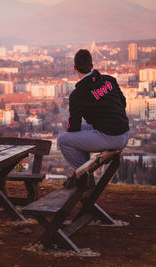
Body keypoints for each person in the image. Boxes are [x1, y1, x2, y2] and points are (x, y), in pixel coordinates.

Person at [57, 49, 129, 188]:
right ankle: (85, 174)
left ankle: (84, 175)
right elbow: (123, 104)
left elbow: (74, 127)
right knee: (83, 132)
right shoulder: (109, 80)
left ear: (75, 68)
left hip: (110, 136)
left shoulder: (78, 94)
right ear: (92, 65)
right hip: (124, 132)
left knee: (63, 139)